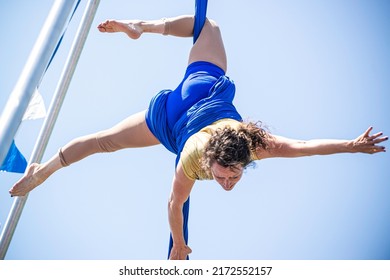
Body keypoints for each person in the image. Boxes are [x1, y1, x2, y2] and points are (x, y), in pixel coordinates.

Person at [9, 15, 388, 260]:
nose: (227, 182)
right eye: (224, 175)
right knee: (103, 141)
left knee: (210, 28)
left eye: (234, 176)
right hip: (177, 113)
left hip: (200, 92)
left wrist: (351, 145)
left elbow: (304, 148)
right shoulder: (191, 158)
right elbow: (175, 205)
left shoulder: (254, 145)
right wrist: (177, 243)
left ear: (245, 159)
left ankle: (144, 27)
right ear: (210, 162)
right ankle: (41, 172)